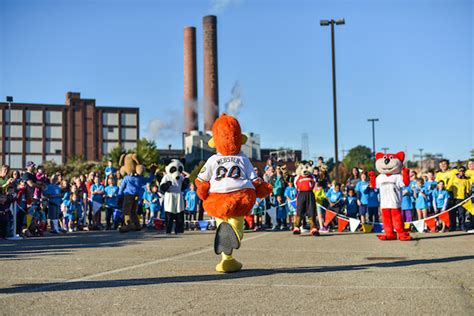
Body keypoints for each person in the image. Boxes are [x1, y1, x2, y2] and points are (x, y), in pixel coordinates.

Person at [447, 166, 471, 231]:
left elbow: (468, 190)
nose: (461, 172)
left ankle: (462, 226)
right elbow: (449, 187)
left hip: (462, 199)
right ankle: (453, 227)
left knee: (461, 213)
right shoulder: (453, 177)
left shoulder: (466, 180)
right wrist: (450, 197)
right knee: (452, 213)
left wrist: (467, 196)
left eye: (463, 171)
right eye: (460, 171)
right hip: (453, 198)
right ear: (458, 171)